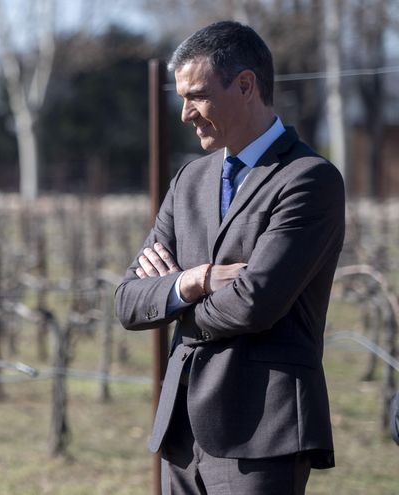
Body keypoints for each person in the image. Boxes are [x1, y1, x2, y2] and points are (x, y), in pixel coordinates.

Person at [115, 21, 345, 494]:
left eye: (196, 95)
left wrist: (172, 296)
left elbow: (253, 303)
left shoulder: (308, 179)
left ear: (246, 85)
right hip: (179, 432)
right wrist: (195, 280)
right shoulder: (188, 181)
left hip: (262, 430)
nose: (184, 114)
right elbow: (128, 302)